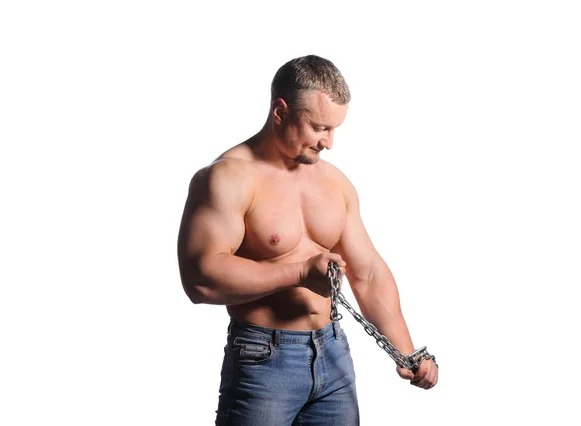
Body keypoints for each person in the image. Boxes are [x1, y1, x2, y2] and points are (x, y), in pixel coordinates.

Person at [177, 54, 438, 425]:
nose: (328, 142)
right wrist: (298, 272)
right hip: (262, 359)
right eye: (318, 127)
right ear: (279, 112)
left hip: (333, 353)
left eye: (334, 129)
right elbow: (201, 279)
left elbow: (368, 274)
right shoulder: (227, 178)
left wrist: (407, 352)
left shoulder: (334, 183)